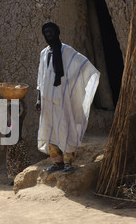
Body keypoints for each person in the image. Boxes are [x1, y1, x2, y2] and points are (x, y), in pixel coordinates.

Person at [36, 22, 100, 174]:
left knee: (66, 129)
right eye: (46, 32)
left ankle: (68, 164)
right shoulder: (44, 53)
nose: (48, 34)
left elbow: (83, 65)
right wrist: (39, 99)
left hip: (63, 100)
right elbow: (40, 78)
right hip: (48, 101)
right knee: (51, 130)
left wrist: (73, 85)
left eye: (51, 31)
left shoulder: (67, 51)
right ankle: (56, 162)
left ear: (57, 32)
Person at [5, 98, 30, 185]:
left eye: (15, 110)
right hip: (11, 145)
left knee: (20, 163)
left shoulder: (19, 119)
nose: (12, 112)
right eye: (11, 110)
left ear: (18, 111)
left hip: (19, 144)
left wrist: (22, 100)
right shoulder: (9, 121)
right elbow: (6, 133)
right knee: (13, 164)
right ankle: (14, 180)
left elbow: (26, 110)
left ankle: (21, 179)